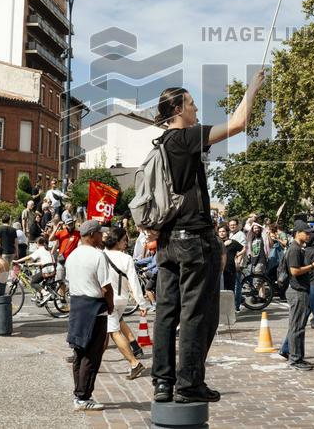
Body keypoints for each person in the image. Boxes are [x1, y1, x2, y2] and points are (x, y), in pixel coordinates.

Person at [150, 71, 264, 405]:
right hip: (192, 240)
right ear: (177, 110)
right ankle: (188, 385)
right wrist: (253, 89)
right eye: (191, 103)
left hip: (168, 240)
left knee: (166, 312)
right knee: (196, 314)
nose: (197, 108)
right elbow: (239, 123)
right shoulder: (185, 138)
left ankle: (162, 382)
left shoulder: (161, 144)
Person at [66, 219, 114, 411]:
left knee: (79, 351)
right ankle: (83, 396)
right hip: (94, 306)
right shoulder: (98, 256)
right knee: (92, 354)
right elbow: (106, 287)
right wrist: (110, 306)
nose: (102, 237)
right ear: (92, 235)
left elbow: (70, 280)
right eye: (100, 234)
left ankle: (78, 393)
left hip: (77, 305)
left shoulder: (72, 255)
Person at [104, 226, 150, 379]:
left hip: (107, 300)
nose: (127, 243)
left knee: (114, 332)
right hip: (121, 300)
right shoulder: (126, 258)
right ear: (117, 241)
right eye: (124, 240)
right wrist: (141, 304)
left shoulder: (100, 255)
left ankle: (134, 363)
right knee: (106, 332)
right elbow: (134, 284)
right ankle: (95, 361)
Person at [279, 222, 314, 370]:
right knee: (297, 327)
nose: (309, 235)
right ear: (298, 233)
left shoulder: (298, 248)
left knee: (297, 326)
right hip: (297, 291)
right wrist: (312, 266)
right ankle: (295, 360)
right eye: (306, 232)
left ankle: (297, 358)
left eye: (310, 233)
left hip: (300, 290)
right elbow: (294, 271)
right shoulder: (295, 249)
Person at [218, 226, 242, 293]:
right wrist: (224, 245)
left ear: (227, 232)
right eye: (219, 232)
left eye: (223, 231)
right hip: (220, 270)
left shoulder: (232, 242)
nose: (221, 233)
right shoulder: (217, 243)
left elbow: (244, 249)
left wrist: (238, 258)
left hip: (230, 270)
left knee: (230, 291)